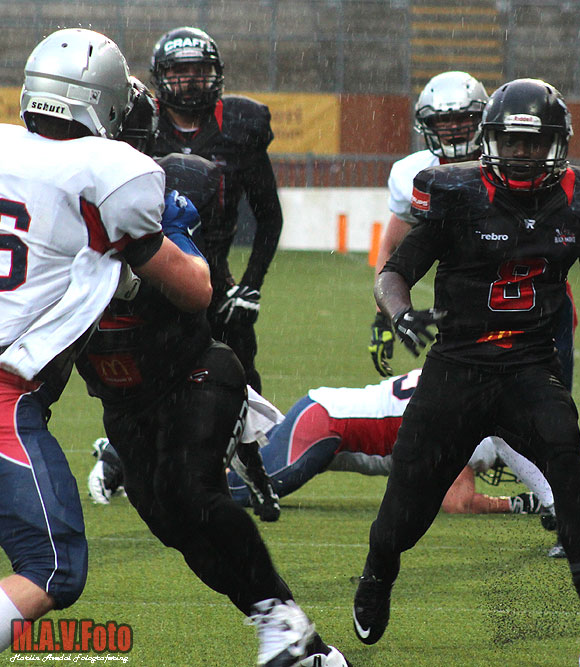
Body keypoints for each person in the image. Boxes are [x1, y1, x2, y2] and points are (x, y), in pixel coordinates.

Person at [354, 78, 580, 647]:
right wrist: (400, 313)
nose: (522, 153)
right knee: (407, 505)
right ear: (490, 141)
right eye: (512, 141)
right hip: (457, 365)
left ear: (556, 144)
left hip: (529, 365)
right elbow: (395, 271)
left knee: (568, 465)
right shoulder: (456, 192)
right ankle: (378, 572)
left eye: (534, 142)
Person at [73, 83, 348, 667]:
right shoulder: (46, 204)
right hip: (123, 396)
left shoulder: (162, 189)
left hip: (190, 372)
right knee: (174, 525)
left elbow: (195, 285)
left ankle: (285, 626)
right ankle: (298, 640)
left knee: (193, 493)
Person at [0, 28, 212, 653]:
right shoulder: (109, 169)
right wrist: (168, 235)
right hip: (6, 394)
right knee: (52, 568)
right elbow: (195, 291)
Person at [89, 369, 559, 528]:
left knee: (232, 470)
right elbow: (459, 502)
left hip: (326, 416)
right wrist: (525, 503)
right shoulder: (476, 424)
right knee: (249, 490)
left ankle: (147, 447)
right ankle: (127, 457)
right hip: (327, 425)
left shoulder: (464, 388)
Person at [368, 71, 579, 390]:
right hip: (468, 303)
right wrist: (385, 316)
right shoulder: (415, 175)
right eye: (443, 120)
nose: (454, 129)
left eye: (463, 118)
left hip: (534, 298)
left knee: (546, 403)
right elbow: (393, 249)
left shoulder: (517, 161)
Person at [148, 26, 283, 393]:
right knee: (148, 391)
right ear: (161, 76)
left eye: (200, 71)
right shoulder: (140, 123)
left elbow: (269, 216)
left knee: (241, 386)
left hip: (216, 283)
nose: (191, 80)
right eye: (180, 70)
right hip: (152, 280)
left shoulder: (239, 126)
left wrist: (251, 286)